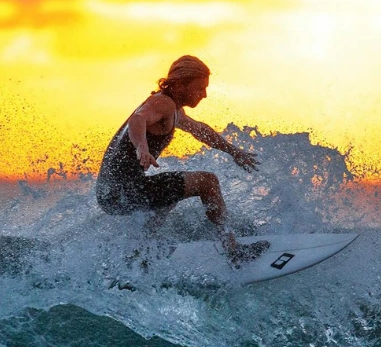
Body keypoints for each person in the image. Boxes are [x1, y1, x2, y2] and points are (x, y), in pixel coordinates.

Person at [95, 55, 269, 266]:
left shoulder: (174, 109)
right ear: (179, 84)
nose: (204, 95)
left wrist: (233, 151)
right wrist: (142, 147)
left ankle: (139, 256)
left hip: (111, 194)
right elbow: (138, 119)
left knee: (173, 192)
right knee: (208, 182)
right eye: (199, 88)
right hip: (122, 191)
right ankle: (233, 250)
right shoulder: (162, 102)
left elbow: (200, 130)